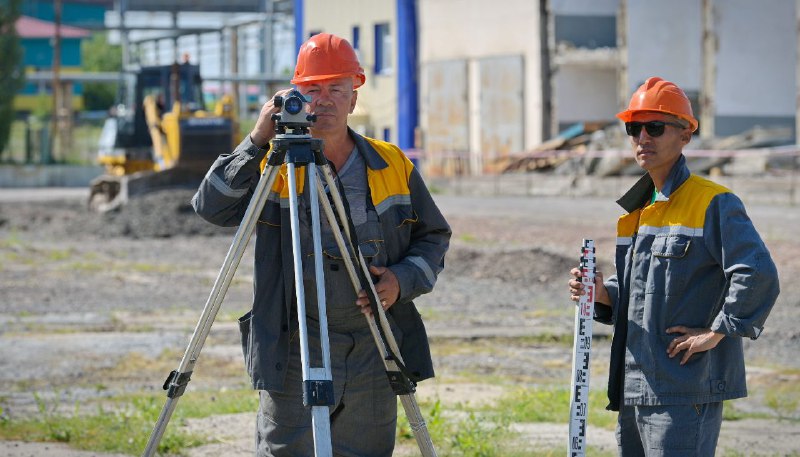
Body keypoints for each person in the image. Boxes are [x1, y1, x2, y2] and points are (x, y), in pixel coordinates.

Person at [192, 33, 451, 456]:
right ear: (294, 95)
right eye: (312, 89)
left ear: (354, 97)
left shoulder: (391, 163)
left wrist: (402, 280)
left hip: (374, 344)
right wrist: (257, 140)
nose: (324, 100)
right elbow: (210, 207)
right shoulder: (271, 164)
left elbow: (433, 236)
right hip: (295, 345)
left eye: (337, 89)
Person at [568, 76, 779, 456]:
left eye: (655, 127)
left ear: (685, 135)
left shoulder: (714, 202)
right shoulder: (638, 208)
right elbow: (640, 289)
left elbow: (757, 274)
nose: (642, 138)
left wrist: (717, 332)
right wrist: (602, 294)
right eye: (634, 128)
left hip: (684, 389)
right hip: (635, 385)